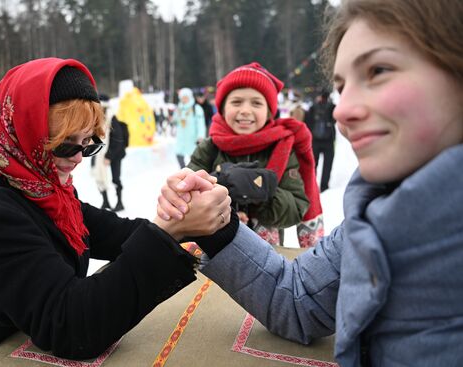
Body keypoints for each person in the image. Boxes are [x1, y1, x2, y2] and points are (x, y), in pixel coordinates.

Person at [158, 0, 463, 365]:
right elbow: (296, 298)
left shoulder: (285, 148)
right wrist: (214, 221)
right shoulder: (376, 214)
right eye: (341, 86)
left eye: (379, 70)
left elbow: (296, 204)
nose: (341, 111)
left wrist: (261, 197)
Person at [0, 57, 237, 367]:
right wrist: (166, 231)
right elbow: (72, 325)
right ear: (24, 129)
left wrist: (184, 213)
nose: (79, 158)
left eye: (88, 144)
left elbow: (113, 231)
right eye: (65, 145)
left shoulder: (39, 187)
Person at [187, 62, 324, 248]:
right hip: (215, 254)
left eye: (256, 103)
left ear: (269, 112)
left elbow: (297, 207)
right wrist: (220, 184)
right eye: (236, 102)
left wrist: (262, 190)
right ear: (223, 108)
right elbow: (186, 197)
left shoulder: (282, 148)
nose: (245, 110)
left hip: (267, 258)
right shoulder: (210, 148)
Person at [305, 89, 336, 192]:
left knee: (313, 164)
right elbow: (335, 120)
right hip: (329, 140)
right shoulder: (332, 107)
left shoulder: (312, 107)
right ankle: (324, 187)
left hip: (315, 140)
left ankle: (312, 186)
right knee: (327, 165)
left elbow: (307, 122)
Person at [172, 88, 206, 168]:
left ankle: (193, 172)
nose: (184, 99)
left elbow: (201, 124)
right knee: (179, 154)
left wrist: (200, 136)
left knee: (193, 157)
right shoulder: (179, 109)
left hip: (192, 137)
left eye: (186, 97)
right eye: (182, 97)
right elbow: (175, 121)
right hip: (181, 137)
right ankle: (183, 171)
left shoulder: (196, 108)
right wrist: (175, 116)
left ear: (190, 97)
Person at [104, 114, 129, 211]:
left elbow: (118, 140)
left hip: (115, 155)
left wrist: (108, 156)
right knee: (102, 178)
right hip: (108, 154)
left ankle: (120, 203)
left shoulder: (112, 120)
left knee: (115, 179)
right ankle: (106, 201)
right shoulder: (106, 119)